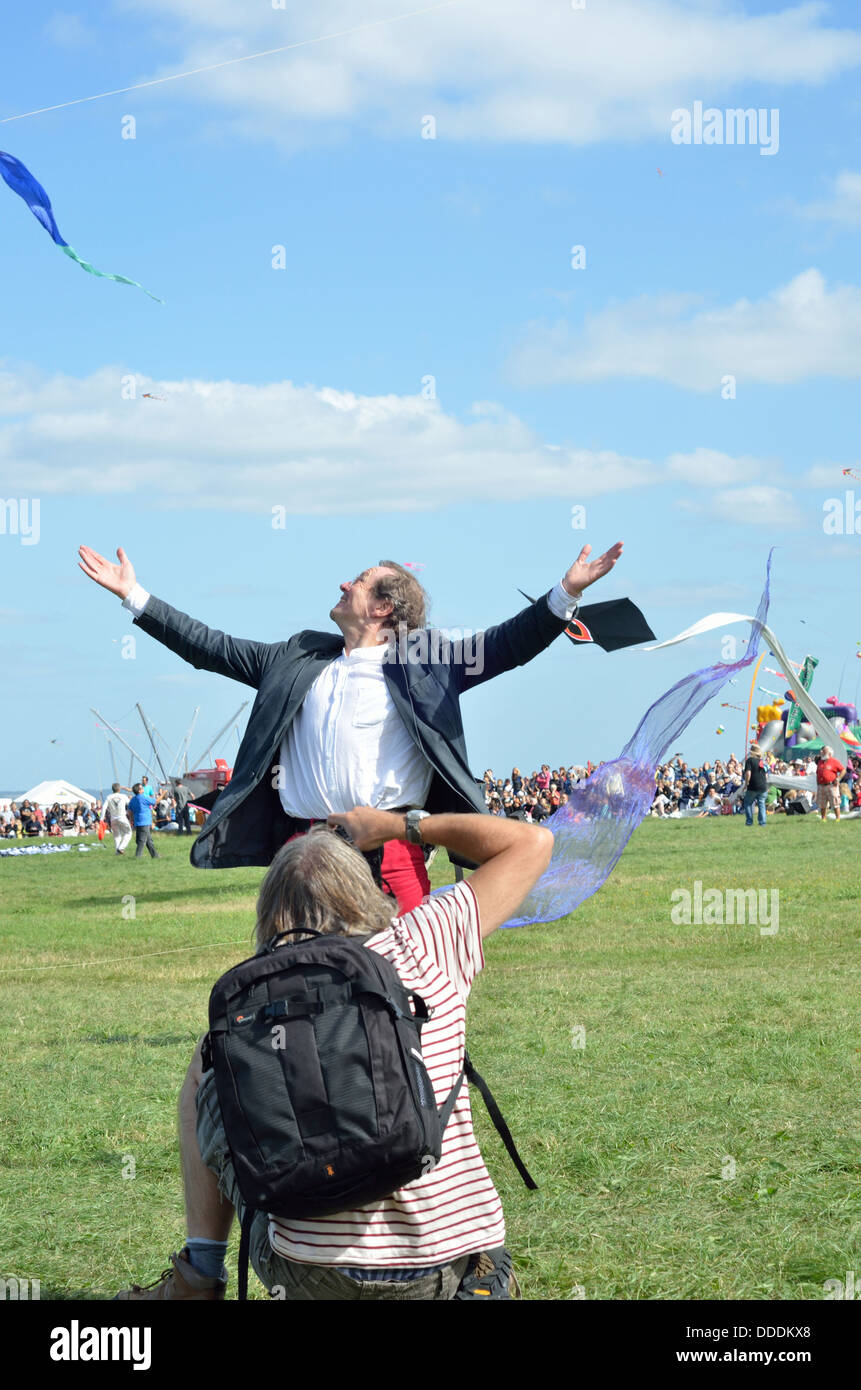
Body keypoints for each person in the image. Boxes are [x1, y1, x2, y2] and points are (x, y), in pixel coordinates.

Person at [113, 806, 553, 1301]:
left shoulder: (253, 1002)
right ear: (364, 888)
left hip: (304, 1272)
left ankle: (200, 1272)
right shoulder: (424, 942)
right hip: (440, 1271)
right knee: (486, 1248)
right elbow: (533, 843)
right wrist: (400, 826)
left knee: (206, 1066)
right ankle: (481, 1278)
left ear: (269, 913)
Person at [78, 540, 623, 912]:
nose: (343, 583)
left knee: (409, 987)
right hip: (306, 850)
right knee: (295, 988)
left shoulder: (428, 660)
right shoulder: (296, 658)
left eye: (359, 582)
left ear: (385, 607)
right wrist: (134, 596)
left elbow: (509, 644)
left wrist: (566, 593)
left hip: (392, 850)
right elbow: (211, 648)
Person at [127, 782, 160, 859]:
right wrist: (163, 794)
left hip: (137, 822)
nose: (143, 789)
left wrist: (131, 820)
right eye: (142, 788)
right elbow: (156, 801)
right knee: (141, 841)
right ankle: (137, 856)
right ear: (139, 790)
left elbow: (130, 811)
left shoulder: (133, 799)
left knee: (148, 841)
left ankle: (155, 855)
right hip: (144, 822)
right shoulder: (143, 798)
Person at [102, 782, 132, 855]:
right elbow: (130, 804)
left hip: (113, 818)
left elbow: (104, 807)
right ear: (119, 789)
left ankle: (117, 852)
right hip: (122, 817)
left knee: (116, 835)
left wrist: (101, 818)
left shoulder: (109, 797)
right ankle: (121, 847)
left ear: (112, 789)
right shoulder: (123, 796)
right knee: (128, 833)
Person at [815, 746, 844, 821]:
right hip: (821, 785)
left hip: (831, 785)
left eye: (824, 751)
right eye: (821, 751)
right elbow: (817, 773)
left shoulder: (834, 761)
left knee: (835, 803)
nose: (821, 752)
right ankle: (823, 819)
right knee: (822, 804)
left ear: (829, 753)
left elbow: (843, 770)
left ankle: (838, 818)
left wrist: (838, 779)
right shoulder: (820, 762)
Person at [742, 743, 768, 828]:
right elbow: (766, 775)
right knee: (761, 804)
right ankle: (762, 823)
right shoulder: (762, 762)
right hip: (763, 786)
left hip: (753, 786)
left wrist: (746, 784)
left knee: (747, 803)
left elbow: (748, 773)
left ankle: (749, 822)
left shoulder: (750, 760)